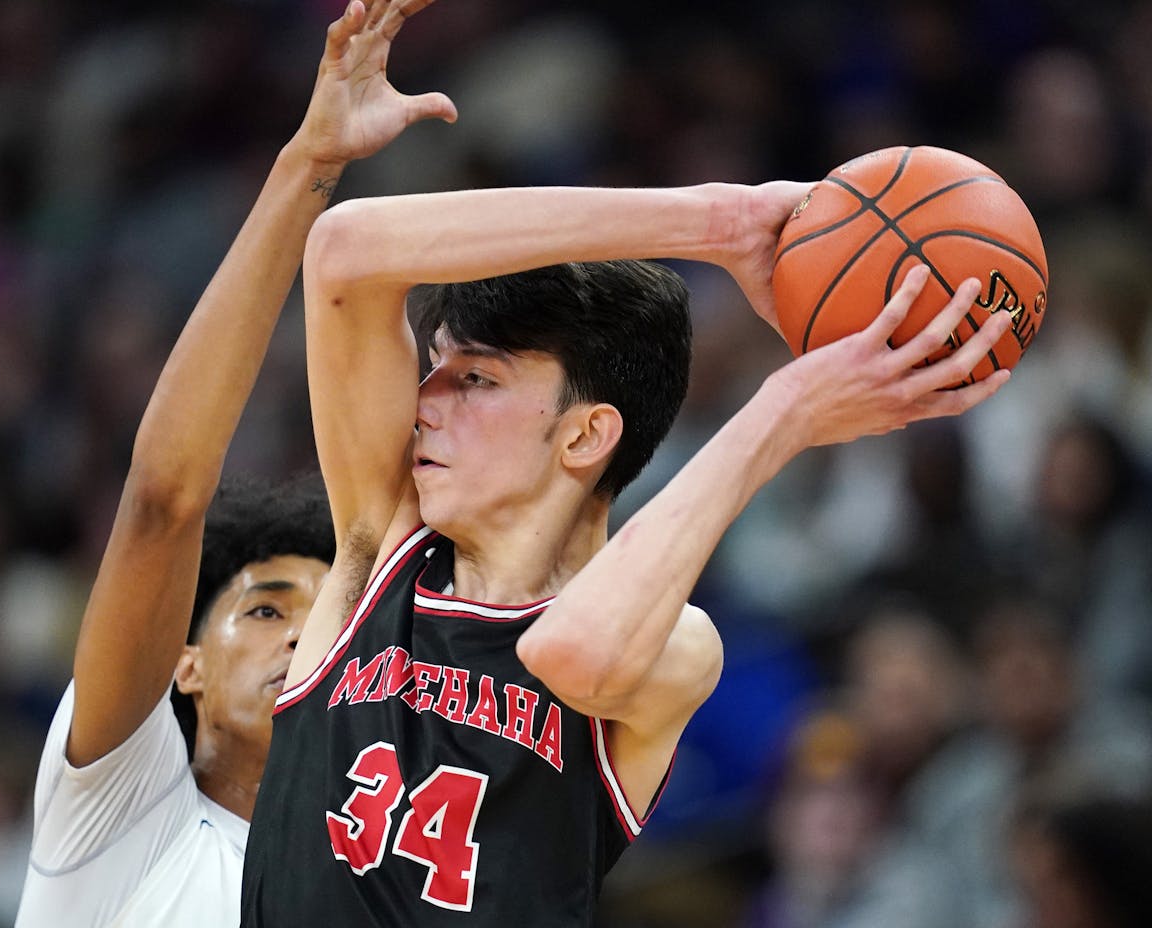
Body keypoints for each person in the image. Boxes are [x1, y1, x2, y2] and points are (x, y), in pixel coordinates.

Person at [240, 181, 1016, 925]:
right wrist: (717, 222)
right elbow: (346, 246)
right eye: (432, 367)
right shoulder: (378, 551)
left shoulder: (679, 645)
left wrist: (786, 411)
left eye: (474, 377)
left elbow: (570, 650)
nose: (425, 402)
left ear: (585, 435)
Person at [13, 2, 456, 924]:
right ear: (187, 671)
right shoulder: (121, 814)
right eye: (262, 608)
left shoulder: (398, 894)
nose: (304, 637)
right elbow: (165, 501)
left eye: (325, 620)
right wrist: (312, 163)